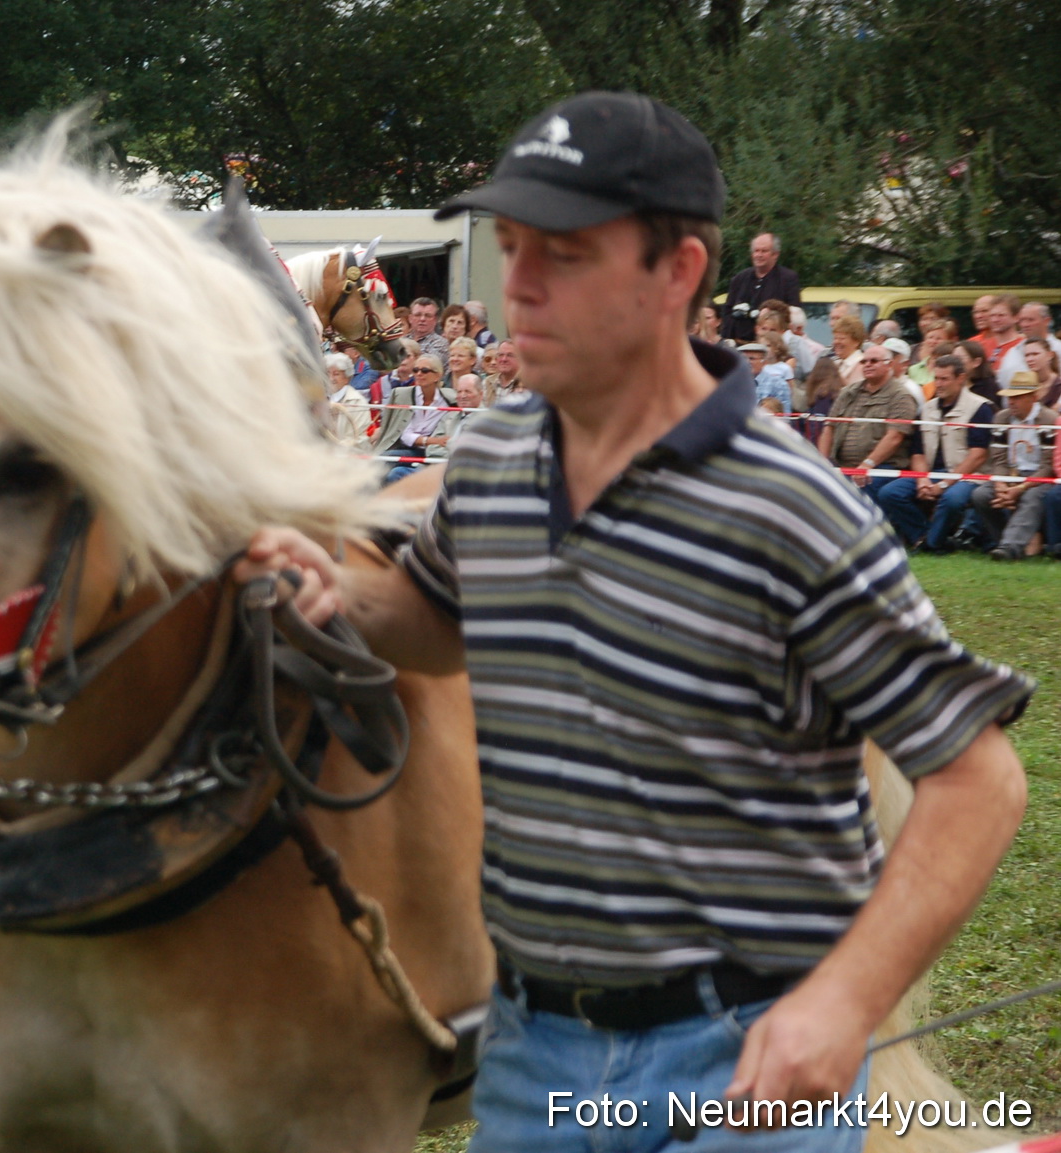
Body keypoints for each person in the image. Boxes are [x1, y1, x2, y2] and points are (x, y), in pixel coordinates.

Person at [239, 90, 1030, 1153]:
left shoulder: (790, 509)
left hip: (742, 1051)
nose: (514, 284)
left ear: (680, 273)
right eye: (512, 245)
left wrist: (842, 1005)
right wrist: (336, 588)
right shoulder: (490, 458)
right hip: (534, 1054)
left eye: (561, 252)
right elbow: (434, 622)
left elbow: (977, 780)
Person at [878, 355, 994, 552]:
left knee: (952, 499)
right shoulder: (927, 409)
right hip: (932, 472)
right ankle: (925, 537)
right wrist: (923, 480)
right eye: (936, 378)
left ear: (961, 378)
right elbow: (918, 452)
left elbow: (978, 456)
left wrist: (943, 484)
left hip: (970, 476)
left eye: (944, 379)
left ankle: (931, 544)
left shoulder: (980, 407)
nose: (938, 384)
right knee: (890, 493)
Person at [971, 371, 1057, 560]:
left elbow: (1047, 464)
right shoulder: (1002, 418)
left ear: (1033, 397)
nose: (1011, 402)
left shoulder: (1049, 420)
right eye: (1010, 397)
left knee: (1032, 497)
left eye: (1017, 397)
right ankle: (1003, 542)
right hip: (1010, 474)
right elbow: (999, 459)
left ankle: (1010, 547)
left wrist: (1021, 487)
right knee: (981, 495)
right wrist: (1001, 484)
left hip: (1039, 478)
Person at [819, 342, 918, 503]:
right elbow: (828, 428)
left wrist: (867, 464)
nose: (868, 365)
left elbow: (895, 437)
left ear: (889, 365)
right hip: (843, 465)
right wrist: (821, 464)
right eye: (864, 361)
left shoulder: (901, 396)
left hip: (883, 467)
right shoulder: (848, 392)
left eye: (874, 361)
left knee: (858, 489)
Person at [370, 353, 456, 484]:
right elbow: (405, 434)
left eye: (425, 370)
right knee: (384, 460)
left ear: (437, 375)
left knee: (392, 470)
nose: (419, 374)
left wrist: (433, 443)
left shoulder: (449, 399)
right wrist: (431, 440)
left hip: (433, 452)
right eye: (415, 370)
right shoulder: (402, 394)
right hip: (407, 448)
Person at [722, 231, 801, 342]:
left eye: (764, 251)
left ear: (775, 254)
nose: (759, 255)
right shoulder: (739, 279)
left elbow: (793, 313)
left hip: (772, 345)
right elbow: (727, 312)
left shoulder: (788, 279)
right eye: (756, 251)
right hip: (739, 345)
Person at [322, 351, 370, 449]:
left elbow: (357, 437)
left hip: (350, 455)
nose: (331, 378)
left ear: (346, 378)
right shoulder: (319, 398)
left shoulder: (357, 401)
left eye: (336, 374)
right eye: (328, 373)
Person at [978, 294, 1027, 386]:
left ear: (1016, 317)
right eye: (992, 315)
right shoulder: (981, 346)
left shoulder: (1024, 346)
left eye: (1001, 315)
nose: (995, 320)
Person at [739, 342, 792, 413]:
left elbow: (785, 416)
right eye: (743, 358)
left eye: (752, 359)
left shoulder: (779, 384)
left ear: (764, 362)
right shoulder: (734, 384)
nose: (747, 362)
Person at [1016, 301, 1061, 366]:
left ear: (1046, 321)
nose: (1025, 324)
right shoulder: (1015, 349)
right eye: (1022, 320)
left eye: (1030, 320)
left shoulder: (1058, 348)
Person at [406, 296, 447, 365]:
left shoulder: (441, 344)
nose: (422, 319)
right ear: (410, 318)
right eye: (418, 315)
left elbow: (428, 366)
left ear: (435, 320)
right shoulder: (401, 341)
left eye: (428, 316)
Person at [481, 338, 522, 407]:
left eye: (509, 355)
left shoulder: (526, 384)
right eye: (500, 355)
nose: (504, 359)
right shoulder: (487, 382)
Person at [831, 314, 868, 386]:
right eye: (835, 338)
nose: (836, 342)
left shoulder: (862, 365)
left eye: (842, 339)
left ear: (856, 342)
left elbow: (856, 392)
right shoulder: (836, 363)